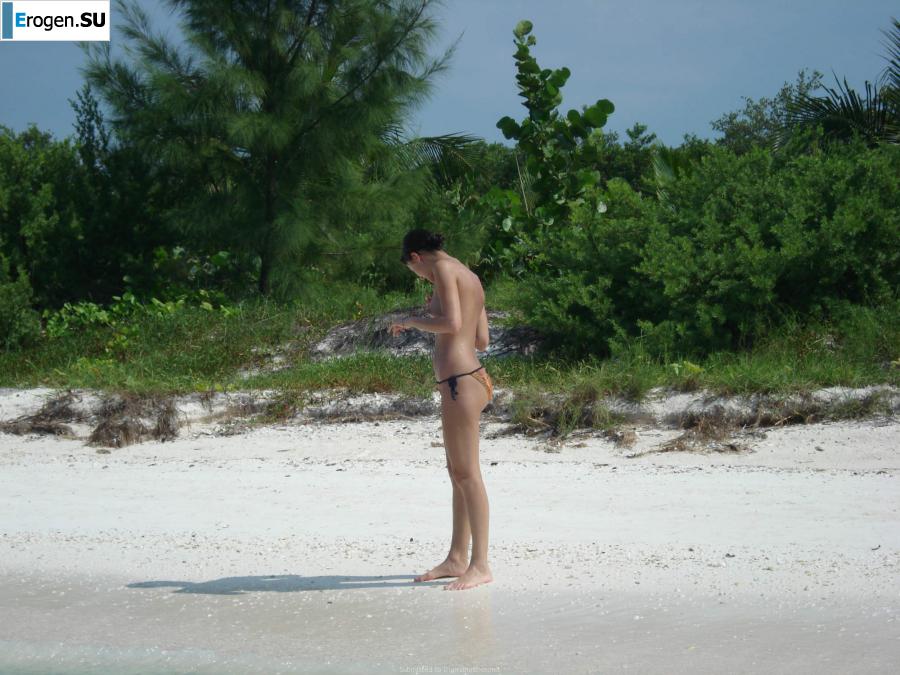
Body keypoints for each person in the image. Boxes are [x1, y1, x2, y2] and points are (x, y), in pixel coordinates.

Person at [389, 228, 494, 591]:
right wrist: (437, 310)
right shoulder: (470, 277)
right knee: (458, 472)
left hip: (459, 381)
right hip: (469, 378)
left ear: (415, 258)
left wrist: (412, 321)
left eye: (415, 271)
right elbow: (482, 339)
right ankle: (457, 557)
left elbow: (451, 324)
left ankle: (480, 564)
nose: (423, 278)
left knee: (467, 474)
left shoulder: (445, 270)